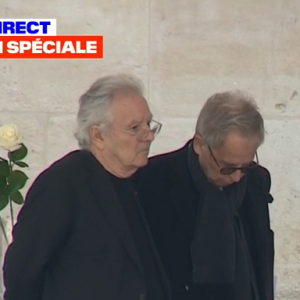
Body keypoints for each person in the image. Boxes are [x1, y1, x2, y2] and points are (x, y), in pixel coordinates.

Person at [3, 73, 171, 300]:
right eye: (134, 127)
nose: (149, 135)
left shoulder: (138, 180)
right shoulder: (63, 184)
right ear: (98, 135)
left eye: (148, 124)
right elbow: (21, 274)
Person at [132, 90, 275, 300]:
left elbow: (259, 258)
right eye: (227, 168)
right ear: (200, 144)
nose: (237, 178)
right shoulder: (151, 181)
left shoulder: (256, 180)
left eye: (244, 166)